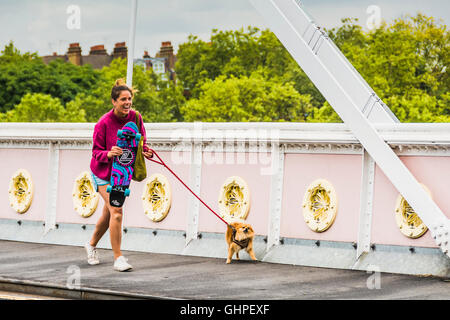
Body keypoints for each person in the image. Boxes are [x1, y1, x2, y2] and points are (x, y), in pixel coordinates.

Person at [84, 79, 153, 271]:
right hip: (103, 173)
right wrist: (108, 153)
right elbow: (95, 152)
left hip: (122, 174)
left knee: (109, 214)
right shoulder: (103, 123)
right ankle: (118, 258)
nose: (127, 103)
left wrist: (146, 150)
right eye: (123, 99)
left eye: (129, 99)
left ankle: (91, 245)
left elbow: (142, 142)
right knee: (117, 211)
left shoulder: (136, 118)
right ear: (113, 101)